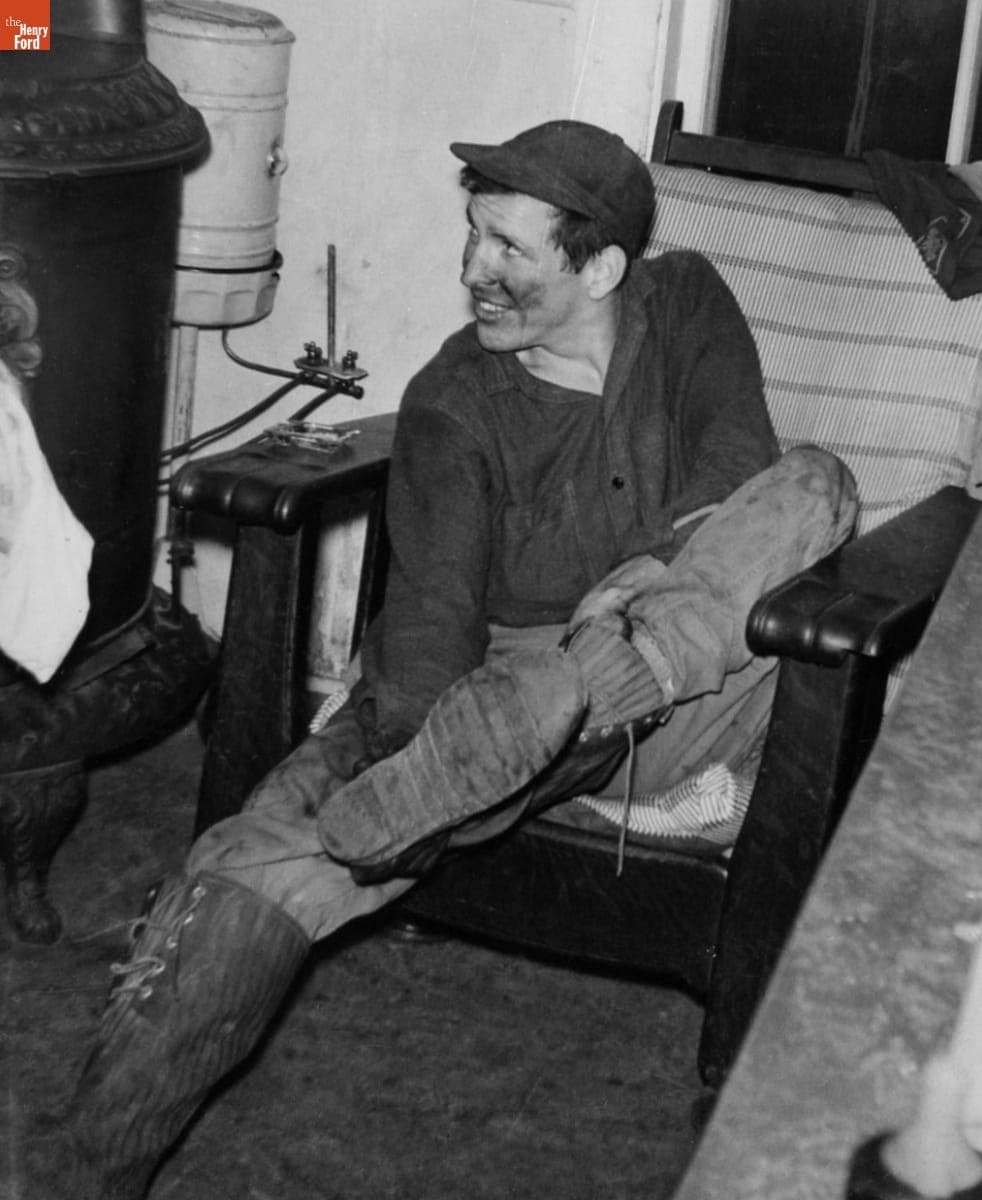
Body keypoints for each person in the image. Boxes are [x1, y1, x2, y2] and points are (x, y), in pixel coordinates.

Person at [29, 120, 857, 1198]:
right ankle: (83, 1167)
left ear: (602, 266)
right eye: (473, 236)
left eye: (510, 248)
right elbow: (425, 641)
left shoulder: (687, 302)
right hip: (491, 688)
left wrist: (627, 605)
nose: (474, 270)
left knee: (812, 481)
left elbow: (736, 470)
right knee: (249, 866)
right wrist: (412, 739)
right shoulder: (452, 400)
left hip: (693, 676)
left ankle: (569, 708)